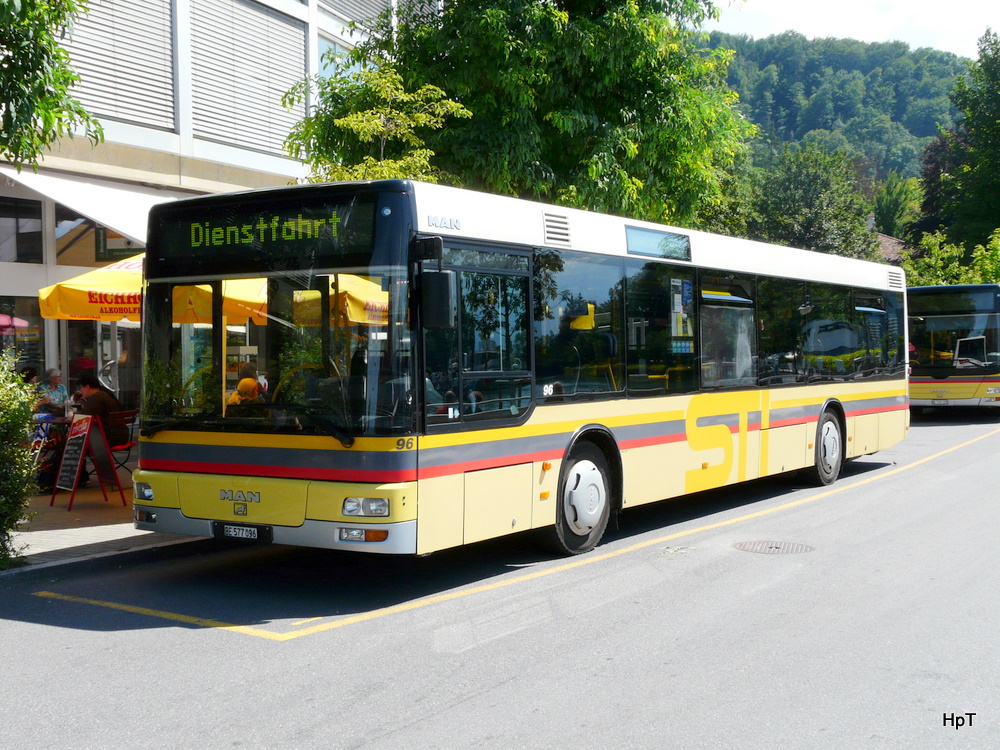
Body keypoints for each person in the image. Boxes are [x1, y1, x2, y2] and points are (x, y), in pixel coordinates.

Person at [77, 372, 128, 446]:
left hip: (109, 436)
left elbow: (87, 418)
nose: (80, 390)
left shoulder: (96, 397)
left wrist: (74, 418)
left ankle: (60, 457)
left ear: (87, 387)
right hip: (120, 434)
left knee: (71, 440)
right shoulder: (104, 393)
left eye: (80, 387)